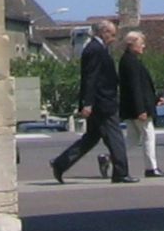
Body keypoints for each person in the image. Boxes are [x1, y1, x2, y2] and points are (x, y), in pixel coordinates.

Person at [49, 19, 131, 184]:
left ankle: (60, 163)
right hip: (102, 103)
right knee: (115, 137)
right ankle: (121, 173)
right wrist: (87, 103)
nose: (113, 38)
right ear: (104, 33)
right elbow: (90, 78)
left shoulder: (100, 48)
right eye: (112, 35)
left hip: (101, 101)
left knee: (91, 138)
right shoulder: (94, 50)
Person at [119, 31, 164, 178]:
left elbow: (142, 87)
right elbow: (135, 87)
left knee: (133, 138)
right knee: (148, 136)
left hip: (131, 107)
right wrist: (141, 109)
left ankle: (111, 157)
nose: (143, 46)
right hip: (138, 109)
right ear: (131, 44)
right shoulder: (131, 62)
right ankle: (151, 168)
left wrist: (155, 99)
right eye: (141, 43)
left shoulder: (128, 60)